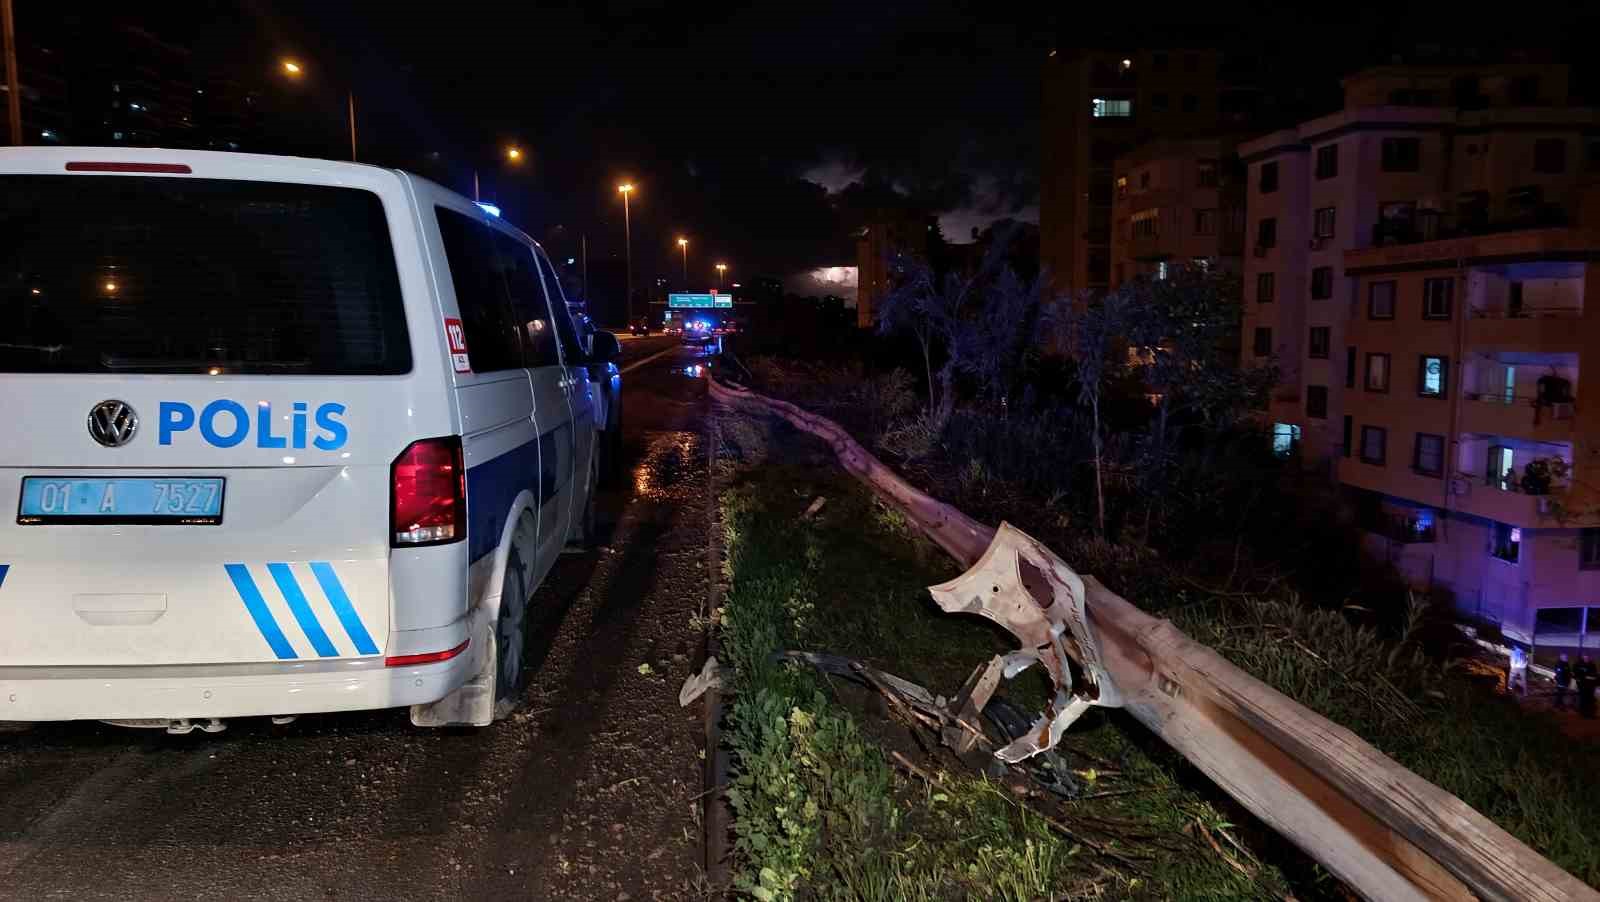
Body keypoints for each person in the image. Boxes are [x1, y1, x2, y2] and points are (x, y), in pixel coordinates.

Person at [1576, 655, 1598, 719]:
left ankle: (1590, 714)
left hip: (1591, 687)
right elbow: (1579, 675)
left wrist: (1593, 679)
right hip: (1583, 686)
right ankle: (1583, 714)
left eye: (1587, 657)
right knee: (1584, 700)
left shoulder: (1592, 665)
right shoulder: (1580, 666)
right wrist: (1585, 677)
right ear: (1583, 658)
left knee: (1590, 701)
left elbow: (1595, 674)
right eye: (1585, 658)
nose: (1586, 659)